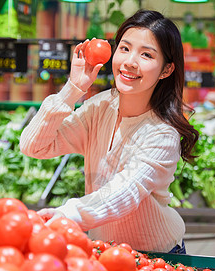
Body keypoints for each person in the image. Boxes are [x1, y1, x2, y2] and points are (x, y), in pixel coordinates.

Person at [20, 10, 199, 253]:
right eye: (124, 48)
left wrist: (68, 213)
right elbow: (34, 146)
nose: (129, 62)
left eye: (146, 54)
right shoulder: (99, 107)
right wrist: (73, 89)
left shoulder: (162, 135)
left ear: (166, 70)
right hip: (104, 251)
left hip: (158, 256)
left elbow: (124, 192)